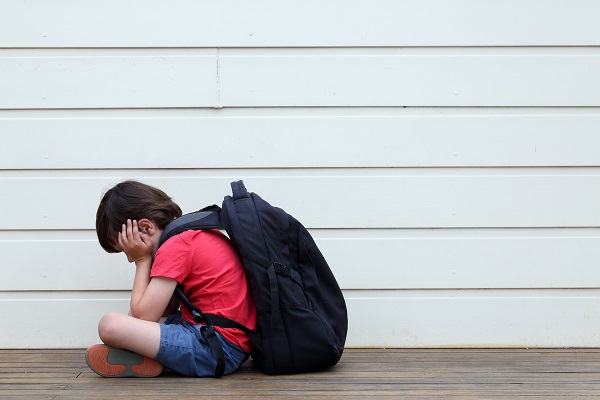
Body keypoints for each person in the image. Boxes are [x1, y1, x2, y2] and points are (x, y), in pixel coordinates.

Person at [85, 180, 256, 378]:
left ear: (146, 227)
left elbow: (143, 318)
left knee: (110, 324)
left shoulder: (175, 245)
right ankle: (151, 360)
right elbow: (164, 310)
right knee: (138, 324)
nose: (130, 258)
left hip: (218, 348)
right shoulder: (188, 233)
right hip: (225, 342)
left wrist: (142, 260)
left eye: (127, 250)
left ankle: (153, 359)